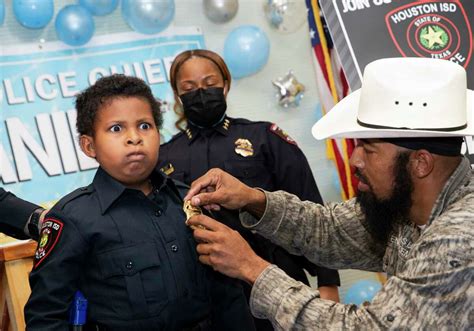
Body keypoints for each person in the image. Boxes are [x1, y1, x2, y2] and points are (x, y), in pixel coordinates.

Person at [183, 58, 474, 329]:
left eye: (369, 150)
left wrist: (252, 268)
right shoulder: (402, 206)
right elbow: (330, 230)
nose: (354, 160)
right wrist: (253, 199)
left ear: (420, 163)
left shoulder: (459, 239)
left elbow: (369, 327)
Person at [24, 74, 255, 330]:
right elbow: (45, 317)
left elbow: (228, 294)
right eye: (116, 128)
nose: (134, 138)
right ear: (89, 146)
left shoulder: (191, 200)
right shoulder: (72, 218)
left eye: (145, 126)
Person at [157, 50, 341, 320]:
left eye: (209, 84)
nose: (201, 93)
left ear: (226, 85)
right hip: (206, 296)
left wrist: (328, 282)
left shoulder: (265, 138)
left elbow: (310, 207)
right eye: (189, 87)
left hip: (275, 279)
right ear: (177, 95)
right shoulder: (164, 158)